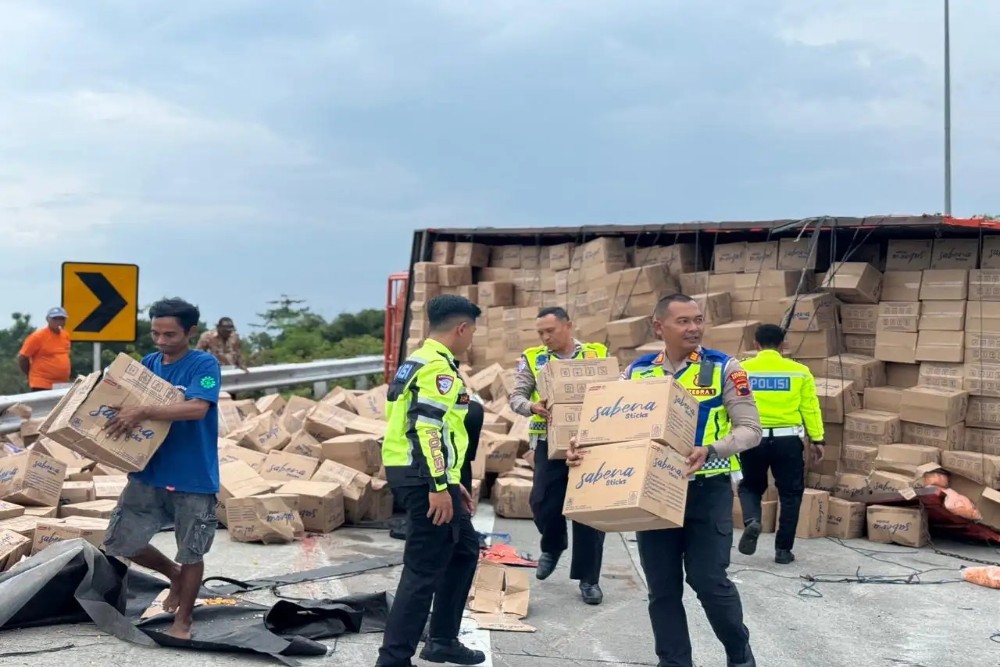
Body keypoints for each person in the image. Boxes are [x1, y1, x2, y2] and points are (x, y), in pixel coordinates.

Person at [567, 293, 762, 667]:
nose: (694, 328)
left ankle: (739, 654)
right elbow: (608, 425)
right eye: (683, 321)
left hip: (707, 489)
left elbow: (750, 430)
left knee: (708, 580)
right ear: (659, 327)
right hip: (655, 491)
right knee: (662, 588)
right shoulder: (638, 372)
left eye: (698, 320)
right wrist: (582, 446)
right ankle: (673, 662)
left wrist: (711, 449)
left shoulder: (724, 367)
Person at [100, 298, 222, 641]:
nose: (161, 341)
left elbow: (197, 408)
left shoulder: (204, 365)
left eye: (170, 334)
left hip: (192, 475)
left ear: (190, 331)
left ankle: (183, 621)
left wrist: (143, 411)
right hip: (148, 471)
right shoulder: (149, 364)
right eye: (155, 333)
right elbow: (126, 403)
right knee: (121, 541)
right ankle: (173, 574)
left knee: (191, 551)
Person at [376, 294, 485, 667]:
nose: (472, 338)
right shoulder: (438, 370)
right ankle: (393, 660)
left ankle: (442, 640)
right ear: (462, 328)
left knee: (464, 551)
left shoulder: (416, 361)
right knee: (422, 571)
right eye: (472, 331)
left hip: (422, 473)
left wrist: (452, 482)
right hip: (423, 478)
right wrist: (439, 486)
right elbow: (427, 429)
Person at [508, 306, 607, 605]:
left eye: (550, 331)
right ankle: (553, 545)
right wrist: (532, 407)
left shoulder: (596, 353)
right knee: (542, 502)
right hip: (548, 442)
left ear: (568, 326)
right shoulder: (533, 358)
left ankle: (589, 579)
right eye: (540, 332)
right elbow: (516, 397)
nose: (545, 337)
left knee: (588, 511)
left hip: (591, 442)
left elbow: (616, 388)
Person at [737, 323, 824, 565]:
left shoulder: (741, 370)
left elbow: (730, 405)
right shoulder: (799, 372)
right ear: (783, 345)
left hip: (752, 438)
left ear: (755, 344)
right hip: (788, 440)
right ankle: (783, 551)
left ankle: (753, 520)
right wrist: (818, 438)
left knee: (750, 486)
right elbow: (810, 408)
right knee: (790, 493)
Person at [18, 307, 72, 391]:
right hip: (42, 383)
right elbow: (23, 357)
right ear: (48, 319)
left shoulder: (65, 335)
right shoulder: (37, 337)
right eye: (55, 318)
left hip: (62, 384)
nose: (58, 321)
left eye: (61, 318)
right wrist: (30, 373)